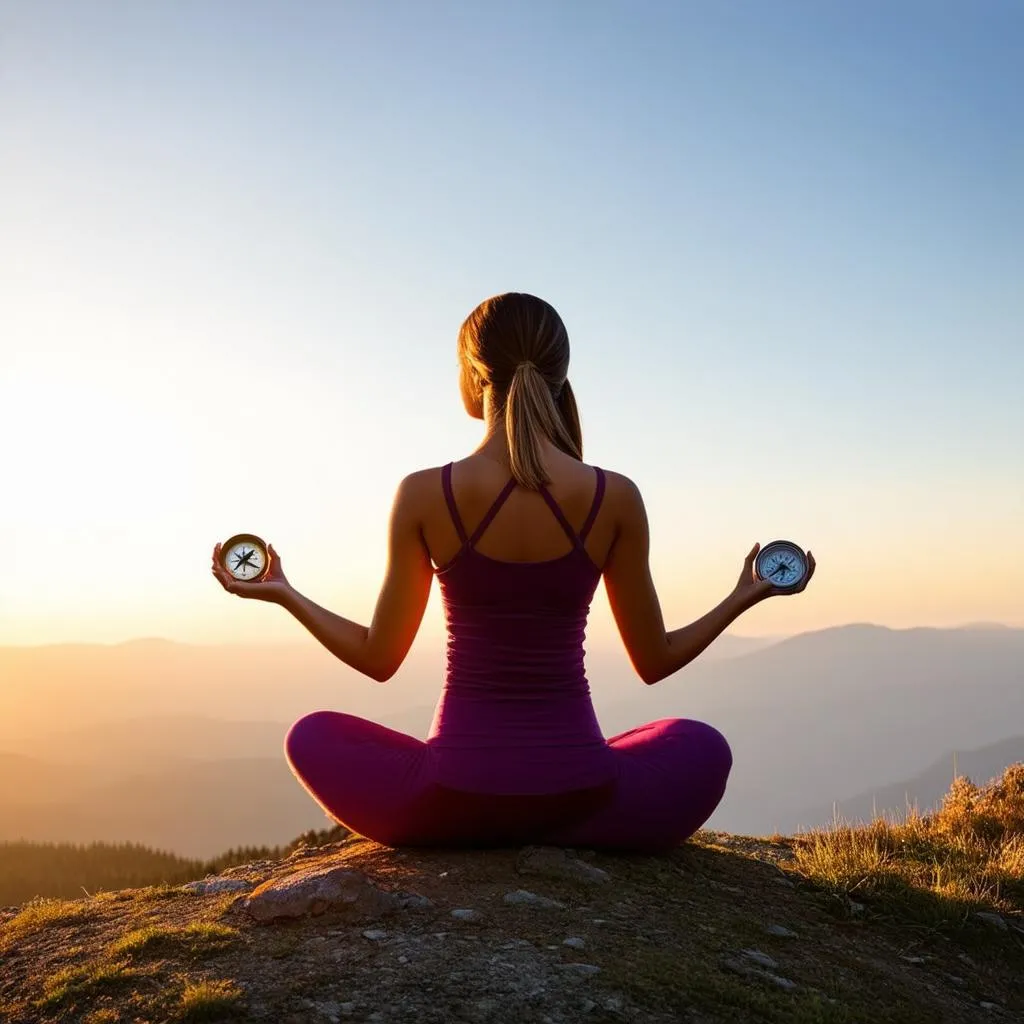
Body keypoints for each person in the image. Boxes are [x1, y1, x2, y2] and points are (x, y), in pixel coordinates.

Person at [210, 293, 815, 852]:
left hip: (453, 798)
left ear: (475, 376)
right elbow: (654, 663)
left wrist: (286, 594)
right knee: (701, 744)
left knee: (310, 735)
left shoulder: (424, 494)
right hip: (584, 792)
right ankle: (564, 825)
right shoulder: (615, 496)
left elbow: (379, 658)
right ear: (559, 375)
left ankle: (476, 825)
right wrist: (743, 596)